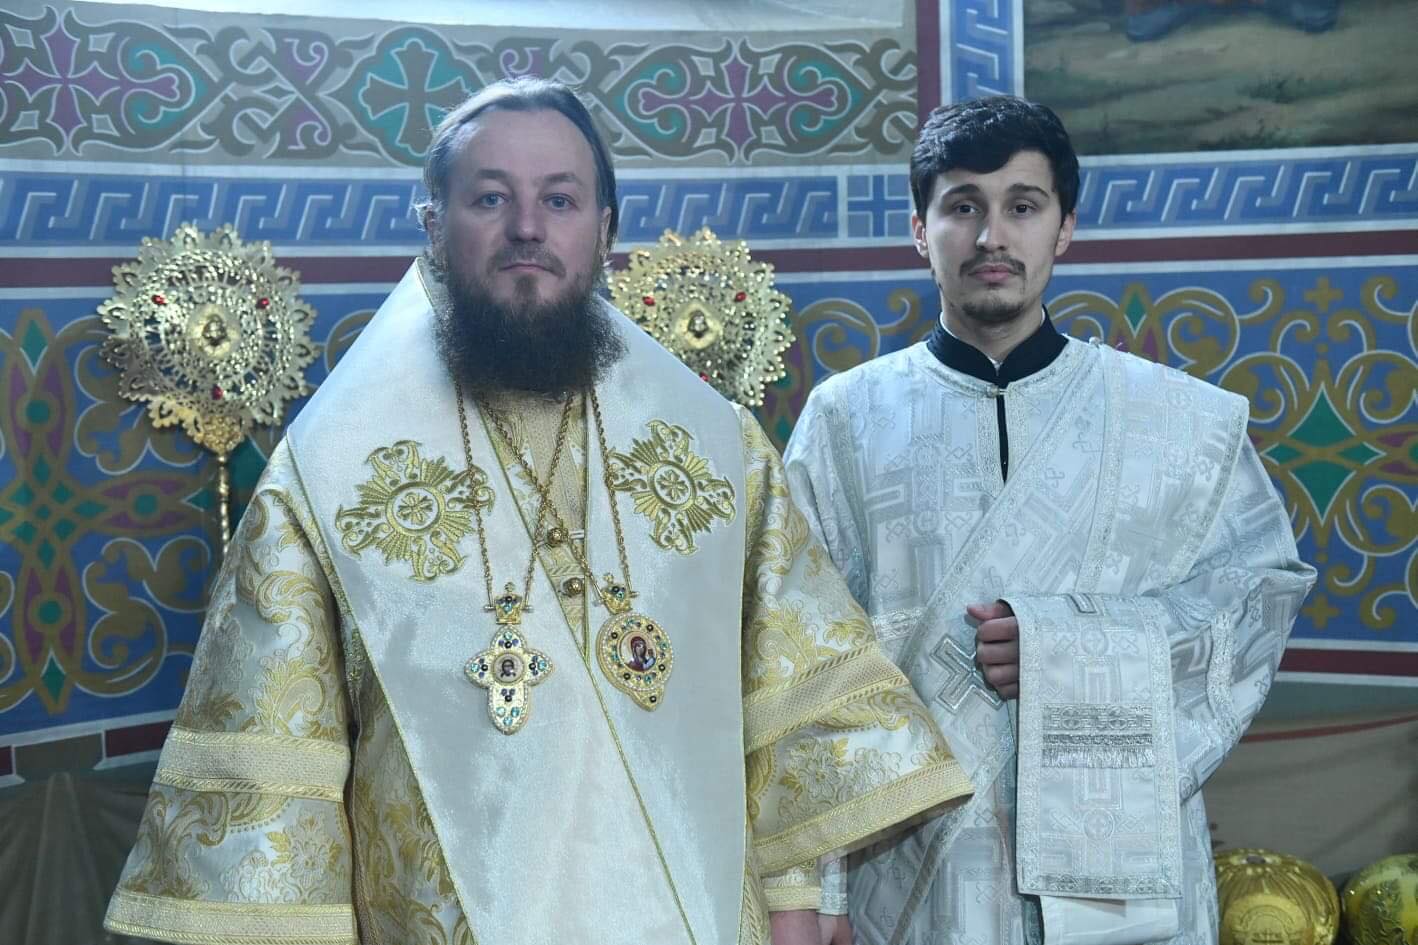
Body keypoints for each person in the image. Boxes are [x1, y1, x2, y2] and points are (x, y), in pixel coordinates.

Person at [102, 77, 973, 945]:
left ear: (604, 230)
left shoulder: (714, 446)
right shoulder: (330, 468)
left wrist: (793, 898)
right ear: (434, 225)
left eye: (559, 199)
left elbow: (777, 699)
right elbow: (277, 779)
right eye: (491, 198)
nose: (527, 227)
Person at [783, 95, 1315, 944]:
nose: (992, 236)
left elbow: (1257, 598)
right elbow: (799, 654)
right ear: (920, 230)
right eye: (963, 207)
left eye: (1022, 207)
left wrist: (1069, 649)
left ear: (1065, 227)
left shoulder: (1181, 423)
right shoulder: (846, 420)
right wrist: (820, 889)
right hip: (912, 868)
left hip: (1117, 882)